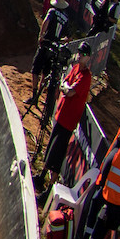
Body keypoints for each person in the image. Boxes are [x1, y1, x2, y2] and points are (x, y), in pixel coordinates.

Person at [37, 43, 93, 184]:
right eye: (79, 52)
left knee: (57, 155)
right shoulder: (75, 68)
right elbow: (64, 84)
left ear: (89, 58)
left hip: (68, 122)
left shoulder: (86, 76)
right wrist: (65, 87)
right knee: (50, 149)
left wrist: (65, 88)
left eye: (84, 54)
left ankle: (50, 186)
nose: (80, 56)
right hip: (60, 116)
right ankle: (42, 175)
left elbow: (69, 91)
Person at [27, 0, 73, 109]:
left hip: (47, 43)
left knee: (35, 69)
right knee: (45, 72)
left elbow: (46, 22)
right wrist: (60, 41)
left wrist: (41, 36)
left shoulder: (52, 11)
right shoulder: (66, 18)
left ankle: (34, 95)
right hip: (55, 47)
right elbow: (69, 37)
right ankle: (38, 95)